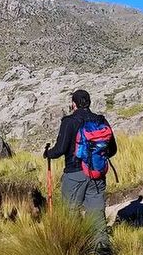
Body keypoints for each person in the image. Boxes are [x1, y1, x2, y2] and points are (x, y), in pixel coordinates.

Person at [44, 90, 118, 219]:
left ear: (74, 104)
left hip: (74, 174)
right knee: (97, 215)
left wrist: (47, 153)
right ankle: (100, 239)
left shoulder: (69, 121)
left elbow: (60, 149)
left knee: (70, 213)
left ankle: (75, 239)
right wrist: (96, 158)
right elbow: (112, 150)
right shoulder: (100, 120)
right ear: (89, 103)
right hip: (97, 173)